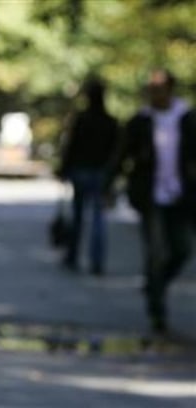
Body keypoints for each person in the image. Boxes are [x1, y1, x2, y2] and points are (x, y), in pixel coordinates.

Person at [108, 68, 196, 334]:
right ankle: (157, 308)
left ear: (170, 90)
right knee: (156, 253)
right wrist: (108, 184)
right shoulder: (140, 121)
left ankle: (155, 284)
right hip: (150, 197)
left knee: (182, 250)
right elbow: (122, 154)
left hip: (182, 197)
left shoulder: (188, 119)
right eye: (151, 90)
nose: (154, 95)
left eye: (159, 89)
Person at [58, 78, 120, 276]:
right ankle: (97, 261)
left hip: (82, 172)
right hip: (100, 173)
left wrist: (64, 169)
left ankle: (73, 255)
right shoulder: (110, 122)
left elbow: (71, 147)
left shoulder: (82, 119)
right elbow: (115, 153)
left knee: (79, 217)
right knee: (98, 219)